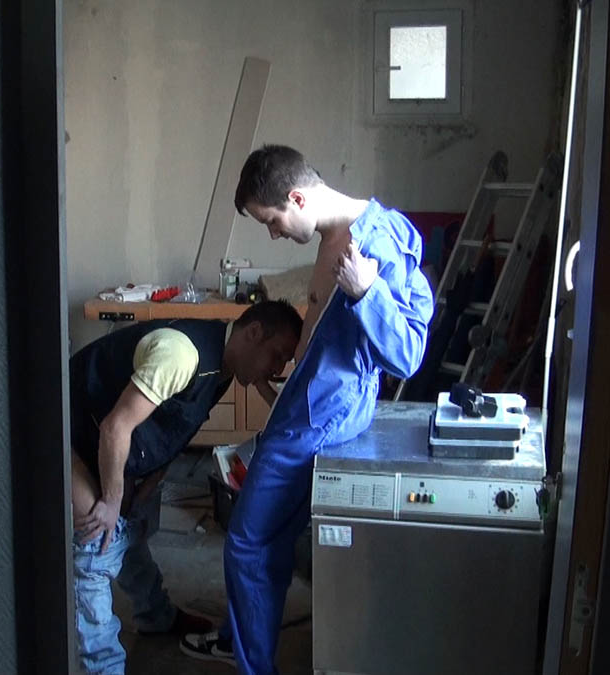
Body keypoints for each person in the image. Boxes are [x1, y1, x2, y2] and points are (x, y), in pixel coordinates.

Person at [180, 145, 434, 673]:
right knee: (265, 542)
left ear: (297, 198)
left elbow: (409, 354)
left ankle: (250, 661)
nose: (273, 234)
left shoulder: (378, 240)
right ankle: (241, 640)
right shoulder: (331, 238)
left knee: (246, 543)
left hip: (322, 416)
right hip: (306, 406)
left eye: (271, 221)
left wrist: (367, 292)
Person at [70, 300, 303, 674]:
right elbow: (115, 428)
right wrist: (112, 500)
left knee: (130, 531)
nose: (277, 371)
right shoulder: (180, 355)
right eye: (277, 356)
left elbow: (176, 426)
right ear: (255, 332)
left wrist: (149, 482)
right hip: (69, 426)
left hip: (110, 438)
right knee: (95, 545)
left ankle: (155, 617)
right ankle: (103, 667)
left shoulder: (225, 367)